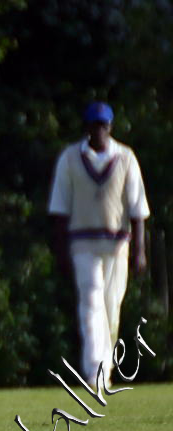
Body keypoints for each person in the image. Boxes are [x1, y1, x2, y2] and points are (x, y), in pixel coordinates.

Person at [48, 102, 150, 388]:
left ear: (110, 127)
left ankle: (105, 369)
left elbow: (137, 209)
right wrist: (61, 251)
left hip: (118, 245)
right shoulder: (70, 158)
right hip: (83, 244)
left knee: (111, 308)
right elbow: (59, 209)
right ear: (87, 128)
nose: (99, 131)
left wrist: (139, 251)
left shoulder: (126, 158)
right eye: (94, 126)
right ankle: (96, 375)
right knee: (91, 304)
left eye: (103, 126)